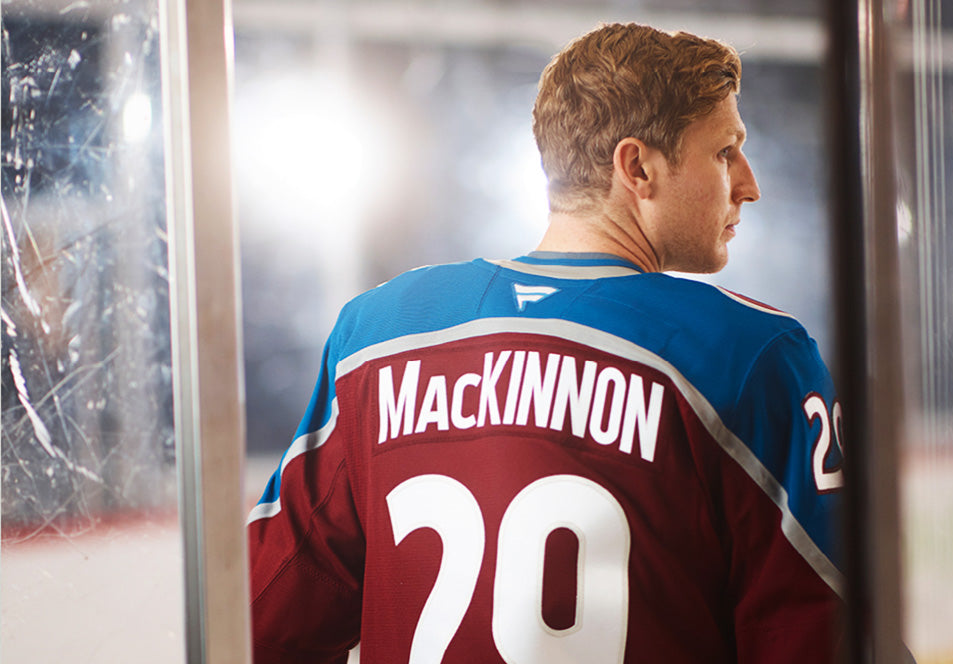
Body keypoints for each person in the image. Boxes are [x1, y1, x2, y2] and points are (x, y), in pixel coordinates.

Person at [247, 22, 845, 663]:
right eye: (725, 152)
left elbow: (261, 622)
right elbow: (828, 635)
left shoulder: (375, 337)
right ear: (637, 167)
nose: (749, 184)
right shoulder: (750, 353)